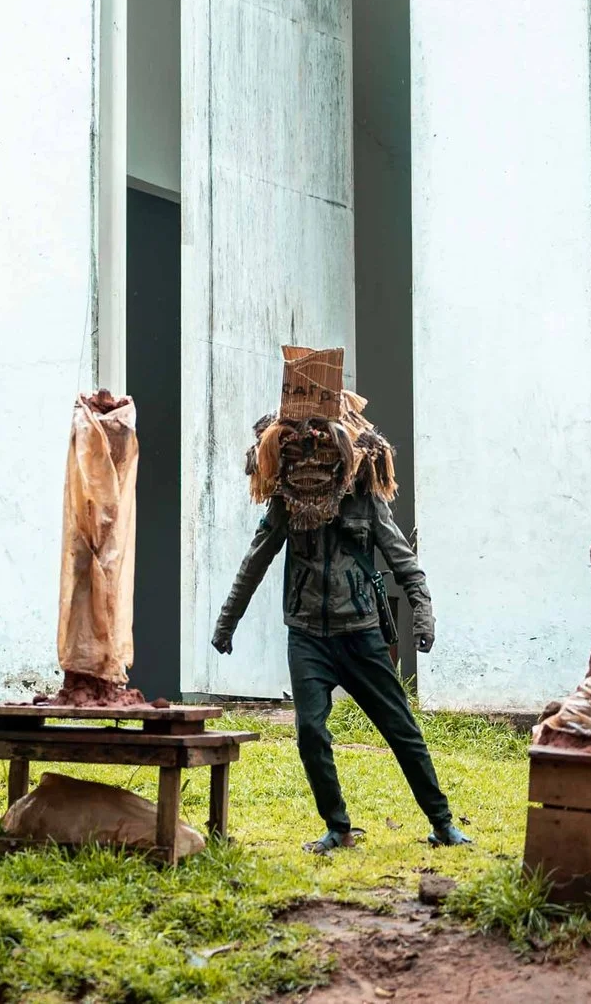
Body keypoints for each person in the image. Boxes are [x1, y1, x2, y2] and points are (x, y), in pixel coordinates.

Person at [211, 346, 470, 853]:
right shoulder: (286, 502)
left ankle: (443, 823)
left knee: (402, 730)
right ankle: (338, 827)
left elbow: (402, 561)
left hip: (361, 633)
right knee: (310, 731)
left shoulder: (363, 500)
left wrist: (423, 612)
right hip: (307, 633)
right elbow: (255, 560)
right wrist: (227, 623)